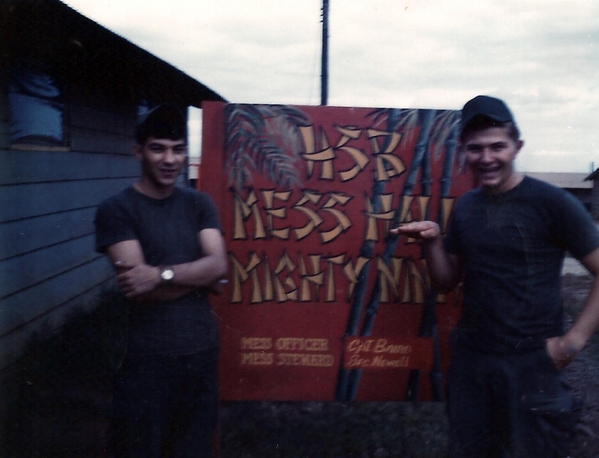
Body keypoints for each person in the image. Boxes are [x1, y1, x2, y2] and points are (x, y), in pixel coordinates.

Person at [392, 95, 599, 457]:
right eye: (476, 149)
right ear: (463, 151)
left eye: (497, 147)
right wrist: (433, 241)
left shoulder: (551, 202)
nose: (487, 158)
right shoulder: (468, 206)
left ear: (516, 146)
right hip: (473, 362)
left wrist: (572, 342)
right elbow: (446, 280)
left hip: (532, 361)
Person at [94, 104, 228, 458]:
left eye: (178, 149)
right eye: (158, 148)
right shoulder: (117, 209)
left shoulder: (199, 203)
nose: (170, 159)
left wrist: (159, 274)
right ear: (138, 151)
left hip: (201, 353)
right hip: (148, 361)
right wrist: (201, 277)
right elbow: (138, 290)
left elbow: (218, 264)